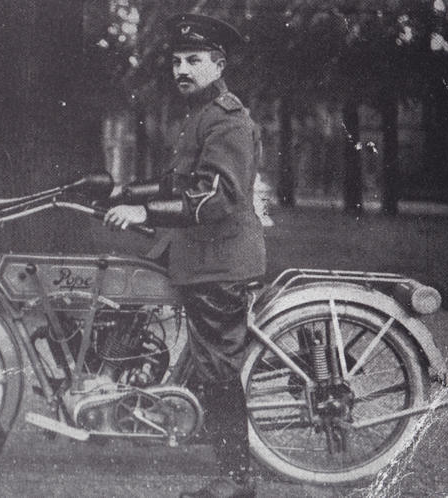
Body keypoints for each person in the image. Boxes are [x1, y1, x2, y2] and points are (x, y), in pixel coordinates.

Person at [103, 13, 266, 498]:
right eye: (176, 60)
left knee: (217, 364)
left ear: (218, 64)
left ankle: (239, 479)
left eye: (194, 60)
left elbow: (214, 198)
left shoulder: (228, 121)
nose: (182, 69)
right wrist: (123, 192)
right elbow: (180, 183)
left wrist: (143, 210)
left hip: (219, 262)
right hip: (196, 254)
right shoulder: (199, 115)